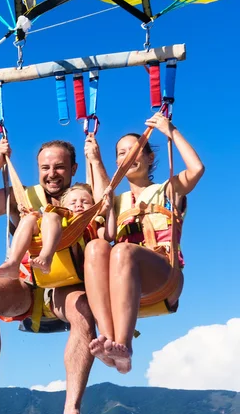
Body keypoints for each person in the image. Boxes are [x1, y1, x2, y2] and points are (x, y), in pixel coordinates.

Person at [0, 133, 110, 414]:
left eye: (60, 167)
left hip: (67, 287)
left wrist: (96, 158)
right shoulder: (23, 196)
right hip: (27, 283)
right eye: (45, 167)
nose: (52, 173)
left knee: (84, 311)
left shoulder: (85, 197)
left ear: (73, 168)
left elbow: (108, 202)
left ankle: (70, 411)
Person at [84, 112, 205, 374]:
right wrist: (93, 159)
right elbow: (101, 196)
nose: (128, 156)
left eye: (136, 150)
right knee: (95, 247)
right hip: (126, 282)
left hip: (164, 277)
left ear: (150, 157)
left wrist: (169, 130)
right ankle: (107, 338)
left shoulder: (167, 190)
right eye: (121, 153)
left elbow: (196, 170)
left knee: (124, 250)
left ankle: (124, 347)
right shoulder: (117, 202)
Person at [0, 182, 115, 279]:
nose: (79, 205)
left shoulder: (92, 224)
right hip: (56, 244)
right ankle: (13, 263)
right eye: (73, 202)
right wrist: (26, 215)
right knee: (33, 218)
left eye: (85, 202)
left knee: (51, 216)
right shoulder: (57, 218)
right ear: (63, 207)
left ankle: (45, 257)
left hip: (76, 261)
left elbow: (109, 236)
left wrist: (109, 210)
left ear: (93, 207)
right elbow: (42, 221)